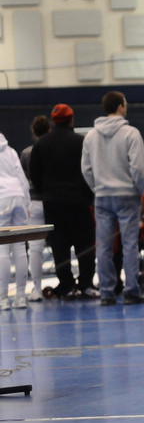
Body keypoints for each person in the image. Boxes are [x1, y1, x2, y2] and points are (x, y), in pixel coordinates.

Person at [81, 91, 144, 306]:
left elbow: (86, 169)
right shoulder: (131, 133)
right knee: (129, 245)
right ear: (121, 107)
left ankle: (107, 293)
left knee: (103, 247)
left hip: (102, 198)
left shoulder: (91, 136)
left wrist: (98, 188)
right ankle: (131, 291)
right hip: (127, 196)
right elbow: (139, 168)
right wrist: (139, 190)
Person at [29, 104, 98, 300]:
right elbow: (89, 170)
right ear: (71, 120)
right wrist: (87, 194)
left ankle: (66, 285)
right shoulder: (81, 142)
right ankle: (85, 284)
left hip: (53, 202)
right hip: (79, 201)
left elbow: (35, 174)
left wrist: (48, 191)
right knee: (85, 244)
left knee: (59, 245)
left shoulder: (41, 144)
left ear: (53, 121)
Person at [19, 115, 49, 302]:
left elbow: (23, 180)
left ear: (33, 132)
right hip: (54, 201)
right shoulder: (54, 149)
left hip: (35, 203)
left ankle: (37, 288)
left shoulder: (26, 153)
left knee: (36, 248)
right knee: (63, 243)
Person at [0, 130, 30, 309]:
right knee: (19, 247)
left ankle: (3, 298)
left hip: (1, 198)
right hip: (18, 195)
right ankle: (20, 297)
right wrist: (26, 203)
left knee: (2, 249)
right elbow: (22, 179)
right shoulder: (10, 151)